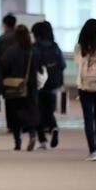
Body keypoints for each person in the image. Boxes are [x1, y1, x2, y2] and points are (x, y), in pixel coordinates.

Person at [1, 25, 41, 151]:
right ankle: (32, 134)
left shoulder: (11, 51)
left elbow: (4, 67)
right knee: (30, 113)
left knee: (15, 115)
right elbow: (39, 67)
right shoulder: (34, 51)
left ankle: (17, 142)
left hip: (14, 87)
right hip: (31, 87)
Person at [75, 19, 96, 161]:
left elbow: (78, 65)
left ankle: (92, 150)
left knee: (88, 118)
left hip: (84, 86)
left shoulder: (80, 47)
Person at [32, 21, 65, 149]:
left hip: (38, 84)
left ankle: (42, 140)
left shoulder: (35, 48)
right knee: (49, 111)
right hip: (53, 84)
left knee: (38, 112)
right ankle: (54, 128)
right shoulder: (55, 47)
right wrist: (60, 82)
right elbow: (62, 65)